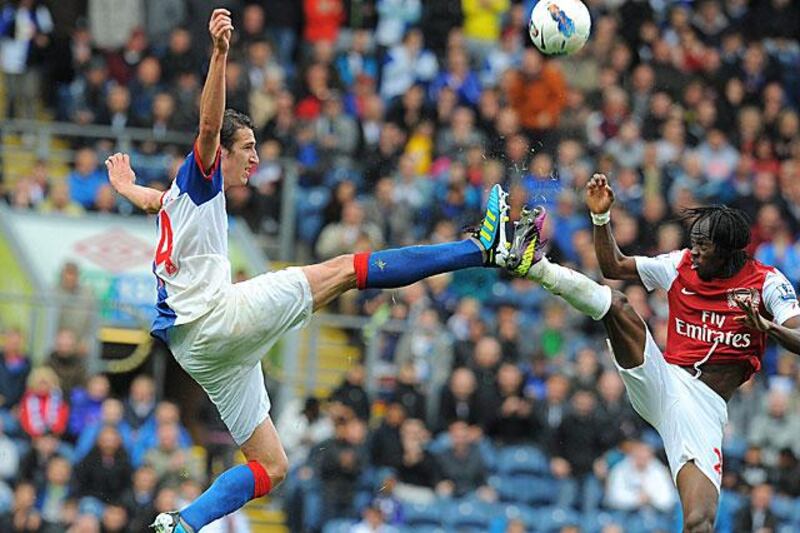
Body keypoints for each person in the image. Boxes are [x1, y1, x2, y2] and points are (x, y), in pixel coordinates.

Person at [105, 9, 510, 533]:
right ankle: (480, 247)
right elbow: (208, 125)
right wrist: (221, 54)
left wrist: (124, 188)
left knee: (272, 467)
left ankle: (183, 523)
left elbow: (154, 201)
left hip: (197, 351)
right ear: (221, 153)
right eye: (247, 149)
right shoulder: (201, 174)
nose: (255, 159)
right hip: (214, 319)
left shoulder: (184, 199)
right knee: (345, 268)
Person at [502, 174, 800, 532]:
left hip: (704, 409)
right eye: (694, 243)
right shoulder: (680, 265)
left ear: (728, 251)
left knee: (699, 522)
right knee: (617, 305)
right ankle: (535, 265)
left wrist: (770, 328)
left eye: (704, 246)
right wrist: (601, 218)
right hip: (664, 379)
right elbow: (614, 266)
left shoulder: (766, 282)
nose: (696, 251)